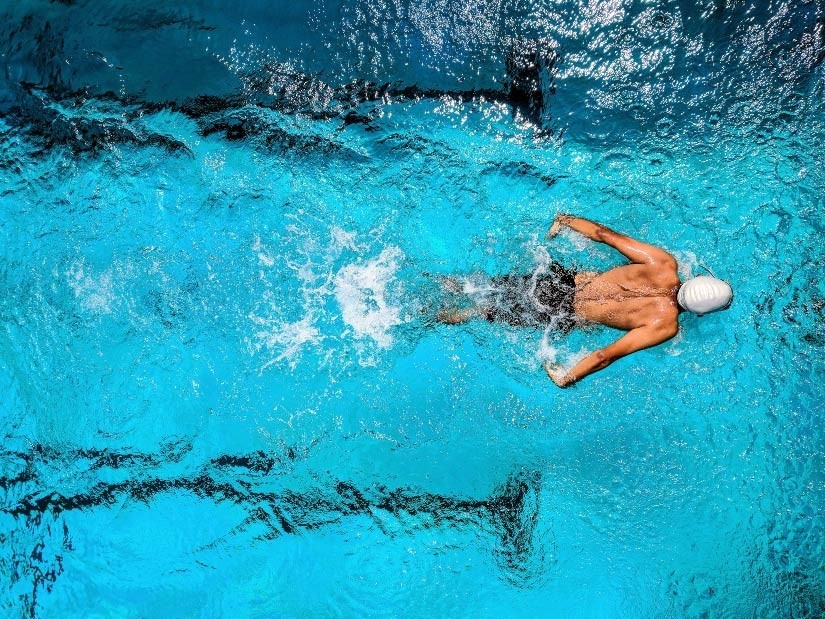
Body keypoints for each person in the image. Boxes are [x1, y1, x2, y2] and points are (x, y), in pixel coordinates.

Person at [436, 214, 733, 387]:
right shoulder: (665, 325)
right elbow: (606, 355)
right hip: (562, 314)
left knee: (478, 287)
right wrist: (568, 377)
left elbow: (605, 235)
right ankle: (429, 316)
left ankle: (437, 280)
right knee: (480, 312)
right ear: (700, 313)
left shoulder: (664, 263)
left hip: (560, 280)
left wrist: (565, 220)